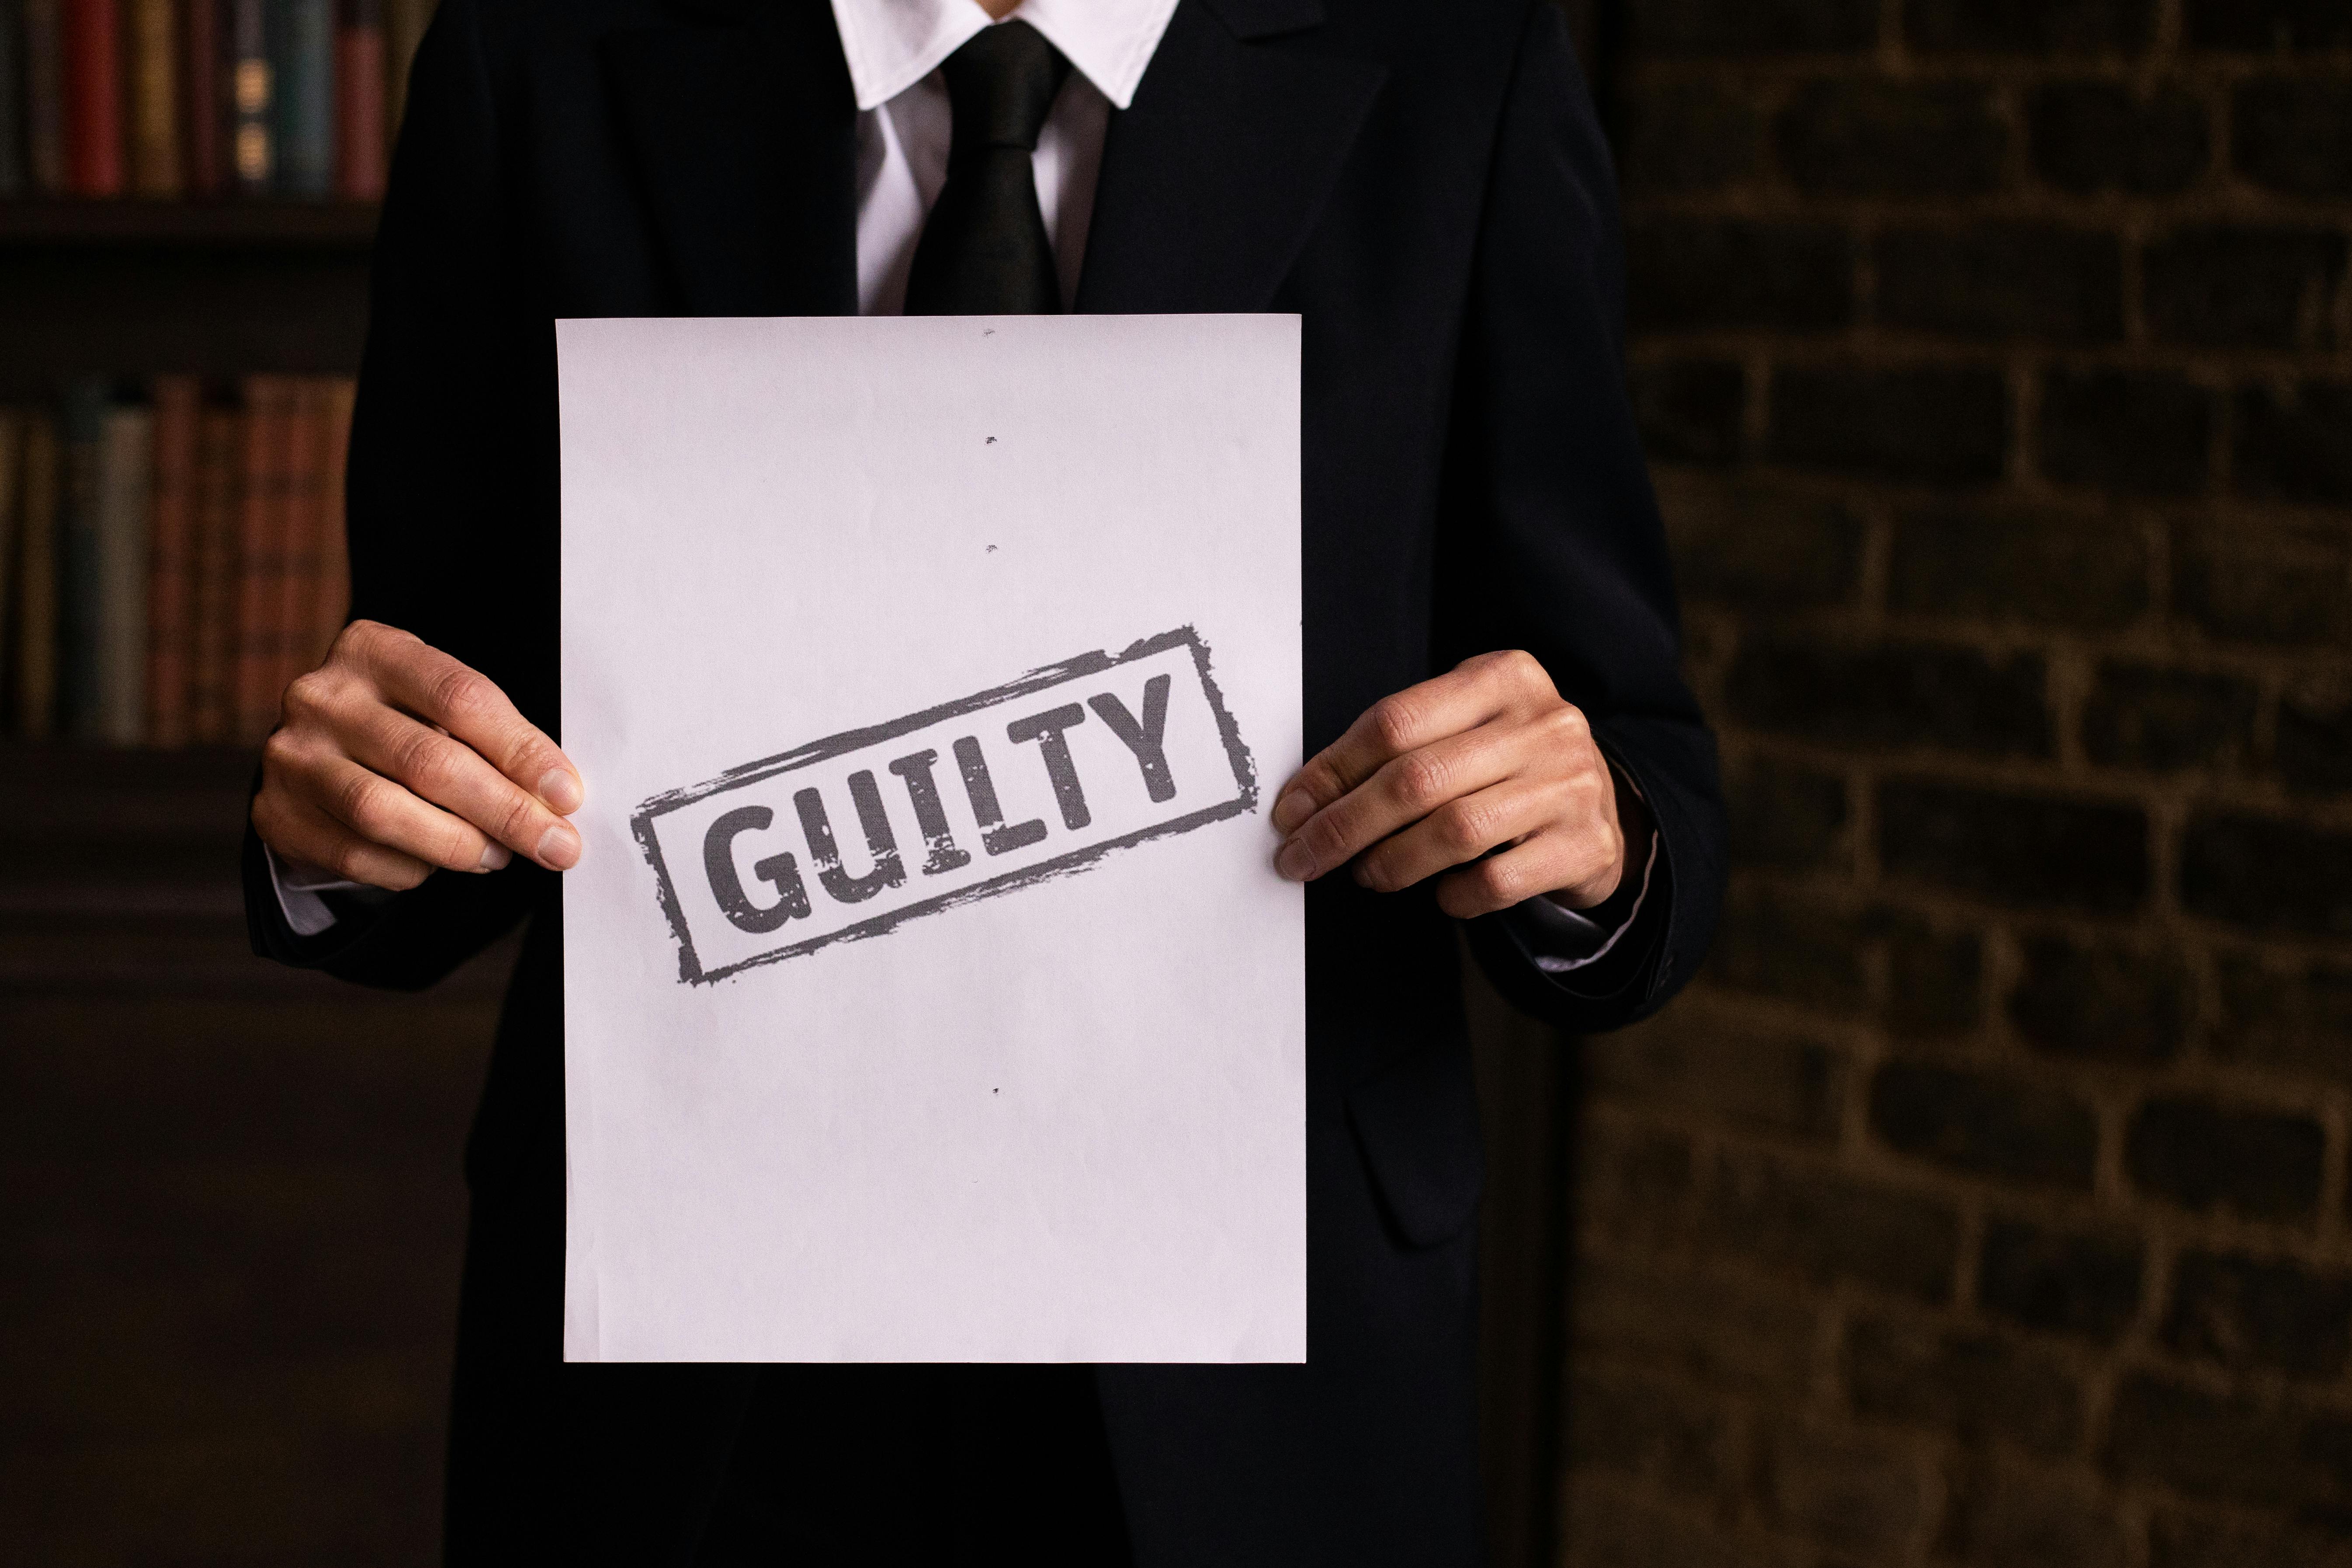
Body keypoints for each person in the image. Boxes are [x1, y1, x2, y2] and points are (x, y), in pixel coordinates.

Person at [243, 0, 1726, 1561]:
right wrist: (345, 825)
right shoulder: (535, 60)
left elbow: (1643, 781)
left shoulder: (1460, 69)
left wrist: (1592, 842)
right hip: (691, 1351)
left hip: (1256, 1358)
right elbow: (436, 725)